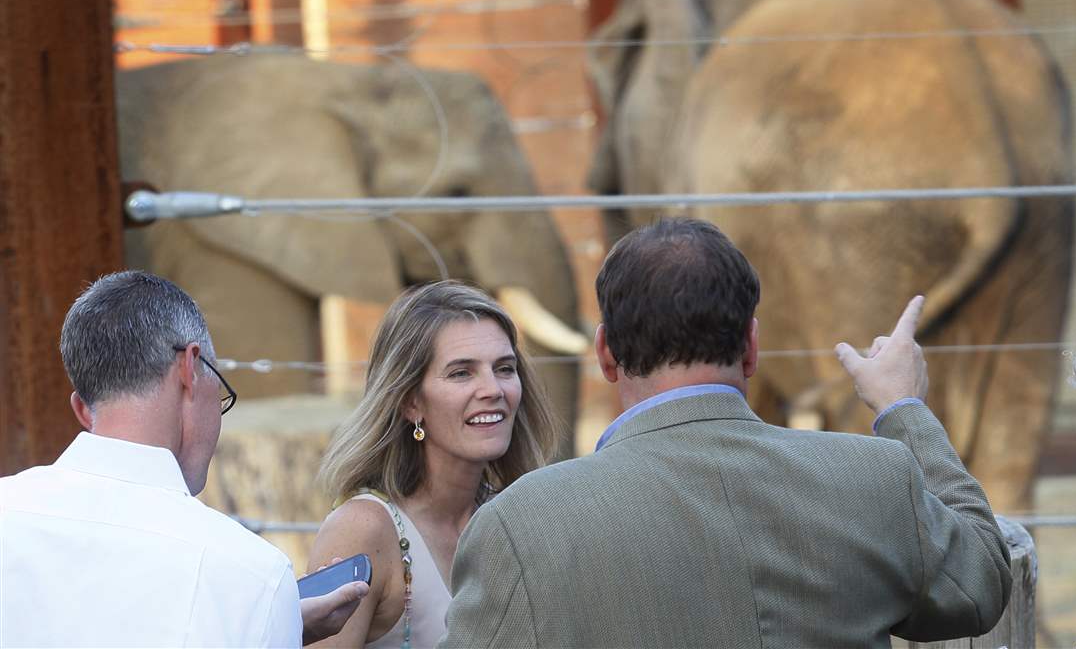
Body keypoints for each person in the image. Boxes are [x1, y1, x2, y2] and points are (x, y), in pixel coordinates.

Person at [439, 217, 1012, 648]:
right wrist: (904, 409)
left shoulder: (523, 524)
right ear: (751, 347)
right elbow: (980, 583)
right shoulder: (876, 477)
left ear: (606, 354)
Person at [0, 270, 365, 647]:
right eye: (221, 393)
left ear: (82, 409)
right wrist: (269, 618)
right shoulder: (251, 575)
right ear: (190, 368)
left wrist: (276, 621)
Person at [307, 280, 559, 648]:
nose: (493, 389)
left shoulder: (520, 516)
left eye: (504, 368)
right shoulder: (362, 528)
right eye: (461, 373)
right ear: (411, 402)